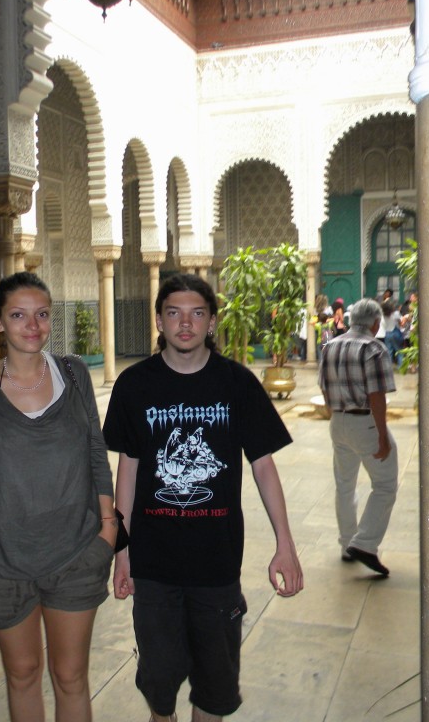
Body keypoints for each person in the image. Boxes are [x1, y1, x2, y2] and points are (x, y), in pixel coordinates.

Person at [103, 273, 303, 722]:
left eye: (197, 313)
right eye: (174, 313)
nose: (185, 323)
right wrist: (122, 552)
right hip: (153, 564)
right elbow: (128, 469)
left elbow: (263, 465)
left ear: (212, 322)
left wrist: (285, 545)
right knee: (159, 687)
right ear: (159, 320)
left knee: (214, 690)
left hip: (216, 564)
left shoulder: (236, 383)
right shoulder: (134, 385)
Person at [0, 272, 116, 722]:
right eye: (19, 315)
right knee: (23, 673)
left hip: (76, 553)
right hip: (1, 561)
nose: (33, 326)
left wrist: (108, 528)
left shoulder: (74, 374)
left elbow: (96, 450)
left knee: (71, 676)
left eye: (42, 314)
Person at [317, 298, 399, 578]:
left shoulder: (331, 346)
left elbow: (324, 386)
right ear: (375, 323)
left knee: (345, 485)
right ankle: (365, 543)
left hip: (338, 421)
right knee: (385, 485)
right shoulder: (373, 348)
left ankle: (347, 544)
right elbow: (376, 394)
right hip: (365, 422)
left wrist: (337, 415)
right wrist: (382, 435)